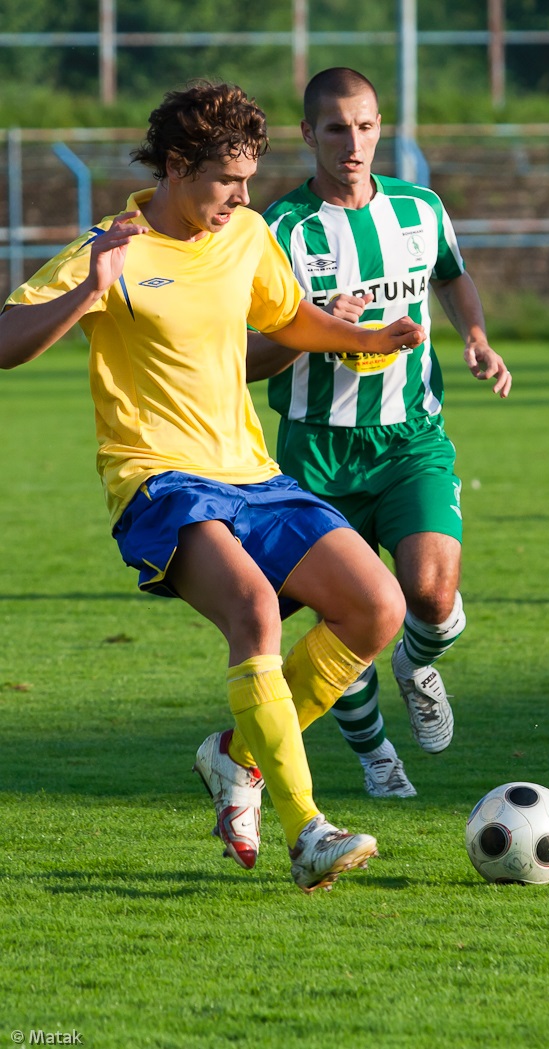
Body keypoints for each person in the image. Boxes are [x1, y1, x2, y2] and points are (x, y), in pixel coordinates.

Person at [0, 80, 427, 893]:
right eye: (226, 179)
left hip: (251, 472)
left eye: (249, 178)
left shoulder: (248, 235)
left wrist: (368, 335)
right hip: (158, 480)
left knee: (376, 605)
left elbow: (288, 316)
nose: (242, 195)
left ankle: (235, 755)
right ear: (174, 165)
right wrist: (91, 288)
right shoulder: (112, 246)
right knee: (255, 611)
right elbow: (6, 341)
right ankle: (308, 828)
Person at [247, 68, 512, 799]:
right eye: (335, 128)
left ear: (380, 126)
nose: (352, 142)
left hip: (409, 437)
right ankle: (373, 754)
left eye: (365, 126)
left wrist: (478, 336)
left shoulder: (420, 209)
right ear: (308, 135)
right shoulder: (276, 232)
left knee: (429, 593)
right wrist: (318, 325)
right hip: (315, 449)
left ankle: (418, 663)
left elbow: (452, 276)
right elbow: (242, 355)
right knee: (344, 612)